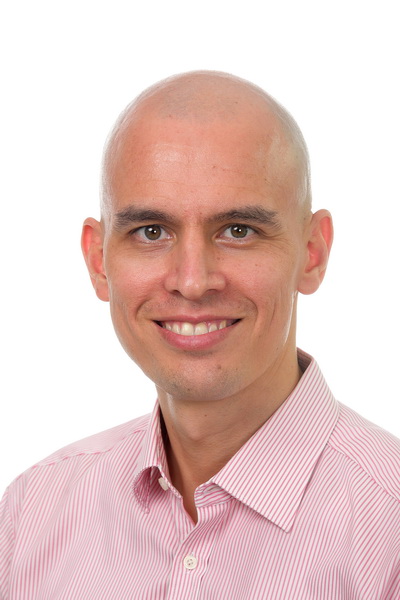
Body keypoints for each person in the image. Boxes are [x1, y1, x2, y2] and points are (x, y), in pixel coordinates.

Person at [0, 71, 399, 600]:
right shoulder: (29, 515)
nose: (192, 281)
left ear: (312, 253)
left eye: (238, 231)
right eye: (151, 232)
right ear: (99, 261)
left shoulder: (389, 530)